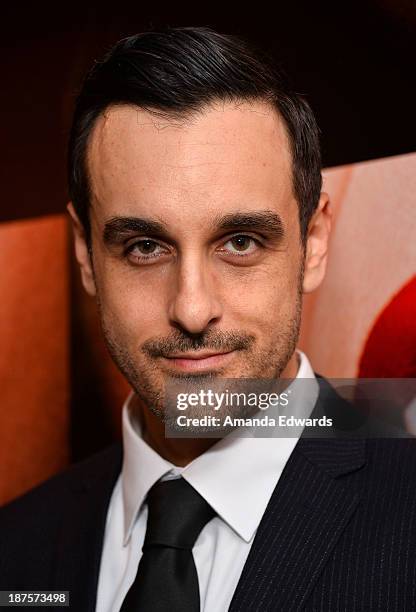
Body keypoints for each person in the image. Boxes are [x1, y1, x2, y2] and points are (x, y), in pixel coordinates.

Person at [1, 26, 415, 612]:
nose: (192, 309)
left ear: (314, 241)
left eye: (240, 242)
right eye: (145, 247)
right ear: (85, 256)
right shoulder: (16, 549)